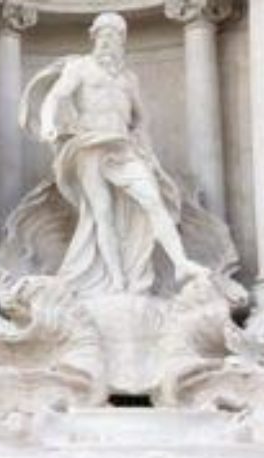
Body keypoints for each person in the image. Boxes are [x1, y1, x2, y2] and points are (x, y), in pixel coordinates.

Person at [26, 12, 207, 295]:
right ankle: (117, 281)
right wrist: (49, 123)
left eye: (115, 36)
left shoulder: (128, 78)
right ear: (94, 38)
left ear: (122, 42)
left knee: (153, 200)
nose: (108, 41)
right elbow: (55, 97)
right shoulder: (81, 68)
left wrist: (146, 151)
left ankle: (180, 262)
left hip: (123, 148)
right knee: (103, 214)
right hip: (89, 147)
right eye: (104, 35)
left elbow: (141, 118)